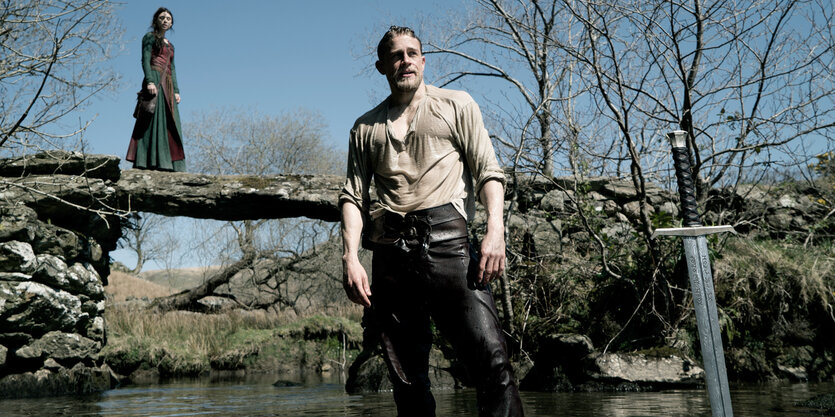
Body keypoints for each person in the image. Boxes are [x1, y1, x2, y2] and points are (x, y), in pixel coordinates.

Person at [339, 26, 524, 417]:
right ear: (382, 67)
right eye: (396, 55)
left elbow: (488, 170)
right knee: (407, 382)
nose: (405, 60)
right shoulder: (365, 127)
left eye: (412, 53)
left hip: (449, 245)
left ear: (423, 61)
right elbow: (354, 196)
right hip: (391, 257)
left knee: (493, 364)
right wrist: (350, 257)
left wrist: (495, 230)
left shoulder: (457, 104)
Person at [126, 7, 186, 172]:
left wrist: (176, 90)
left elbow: (172, 69)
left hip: (168, 84)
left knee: (171, 122)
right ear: (156, 21)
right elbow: (145, 60)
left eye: (168, 18)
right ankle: (148, 161)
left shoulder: (171, 46)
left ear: (171, 22)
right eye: (162, 17)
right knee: (151, 118)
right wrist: (150, 81)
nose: (165, 20)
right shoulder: (149, 37)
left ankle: (170, 163)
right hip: (155, 79)